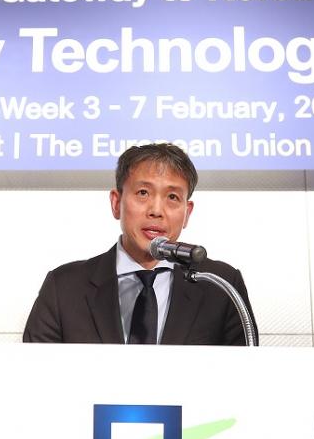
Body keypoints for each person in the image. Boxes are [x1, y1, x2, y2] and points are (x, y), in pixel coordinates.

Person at [22, 142, 256, 346]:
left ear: (187, 213)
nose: (156, 210)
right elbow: (35, 379)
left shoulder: (221, 286)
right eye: (143, 193)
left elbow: (244, 382)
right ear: (116, 203)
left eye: (172, 197)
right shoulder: (64, 288)